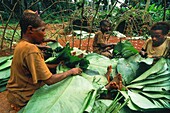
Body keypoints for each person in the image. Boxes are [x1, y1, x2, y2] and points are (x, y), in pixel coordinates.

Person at [6, 11, 82, 112]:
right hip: (24, 98)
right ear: (30, 30)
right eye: (43, 30)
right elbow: (50, 80)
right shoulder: (31, 50)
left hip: (15, 94)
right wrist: (71, 71)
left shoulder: (21, 45)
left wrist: (56, 66)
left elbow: (35, 67)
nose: (45, 34)